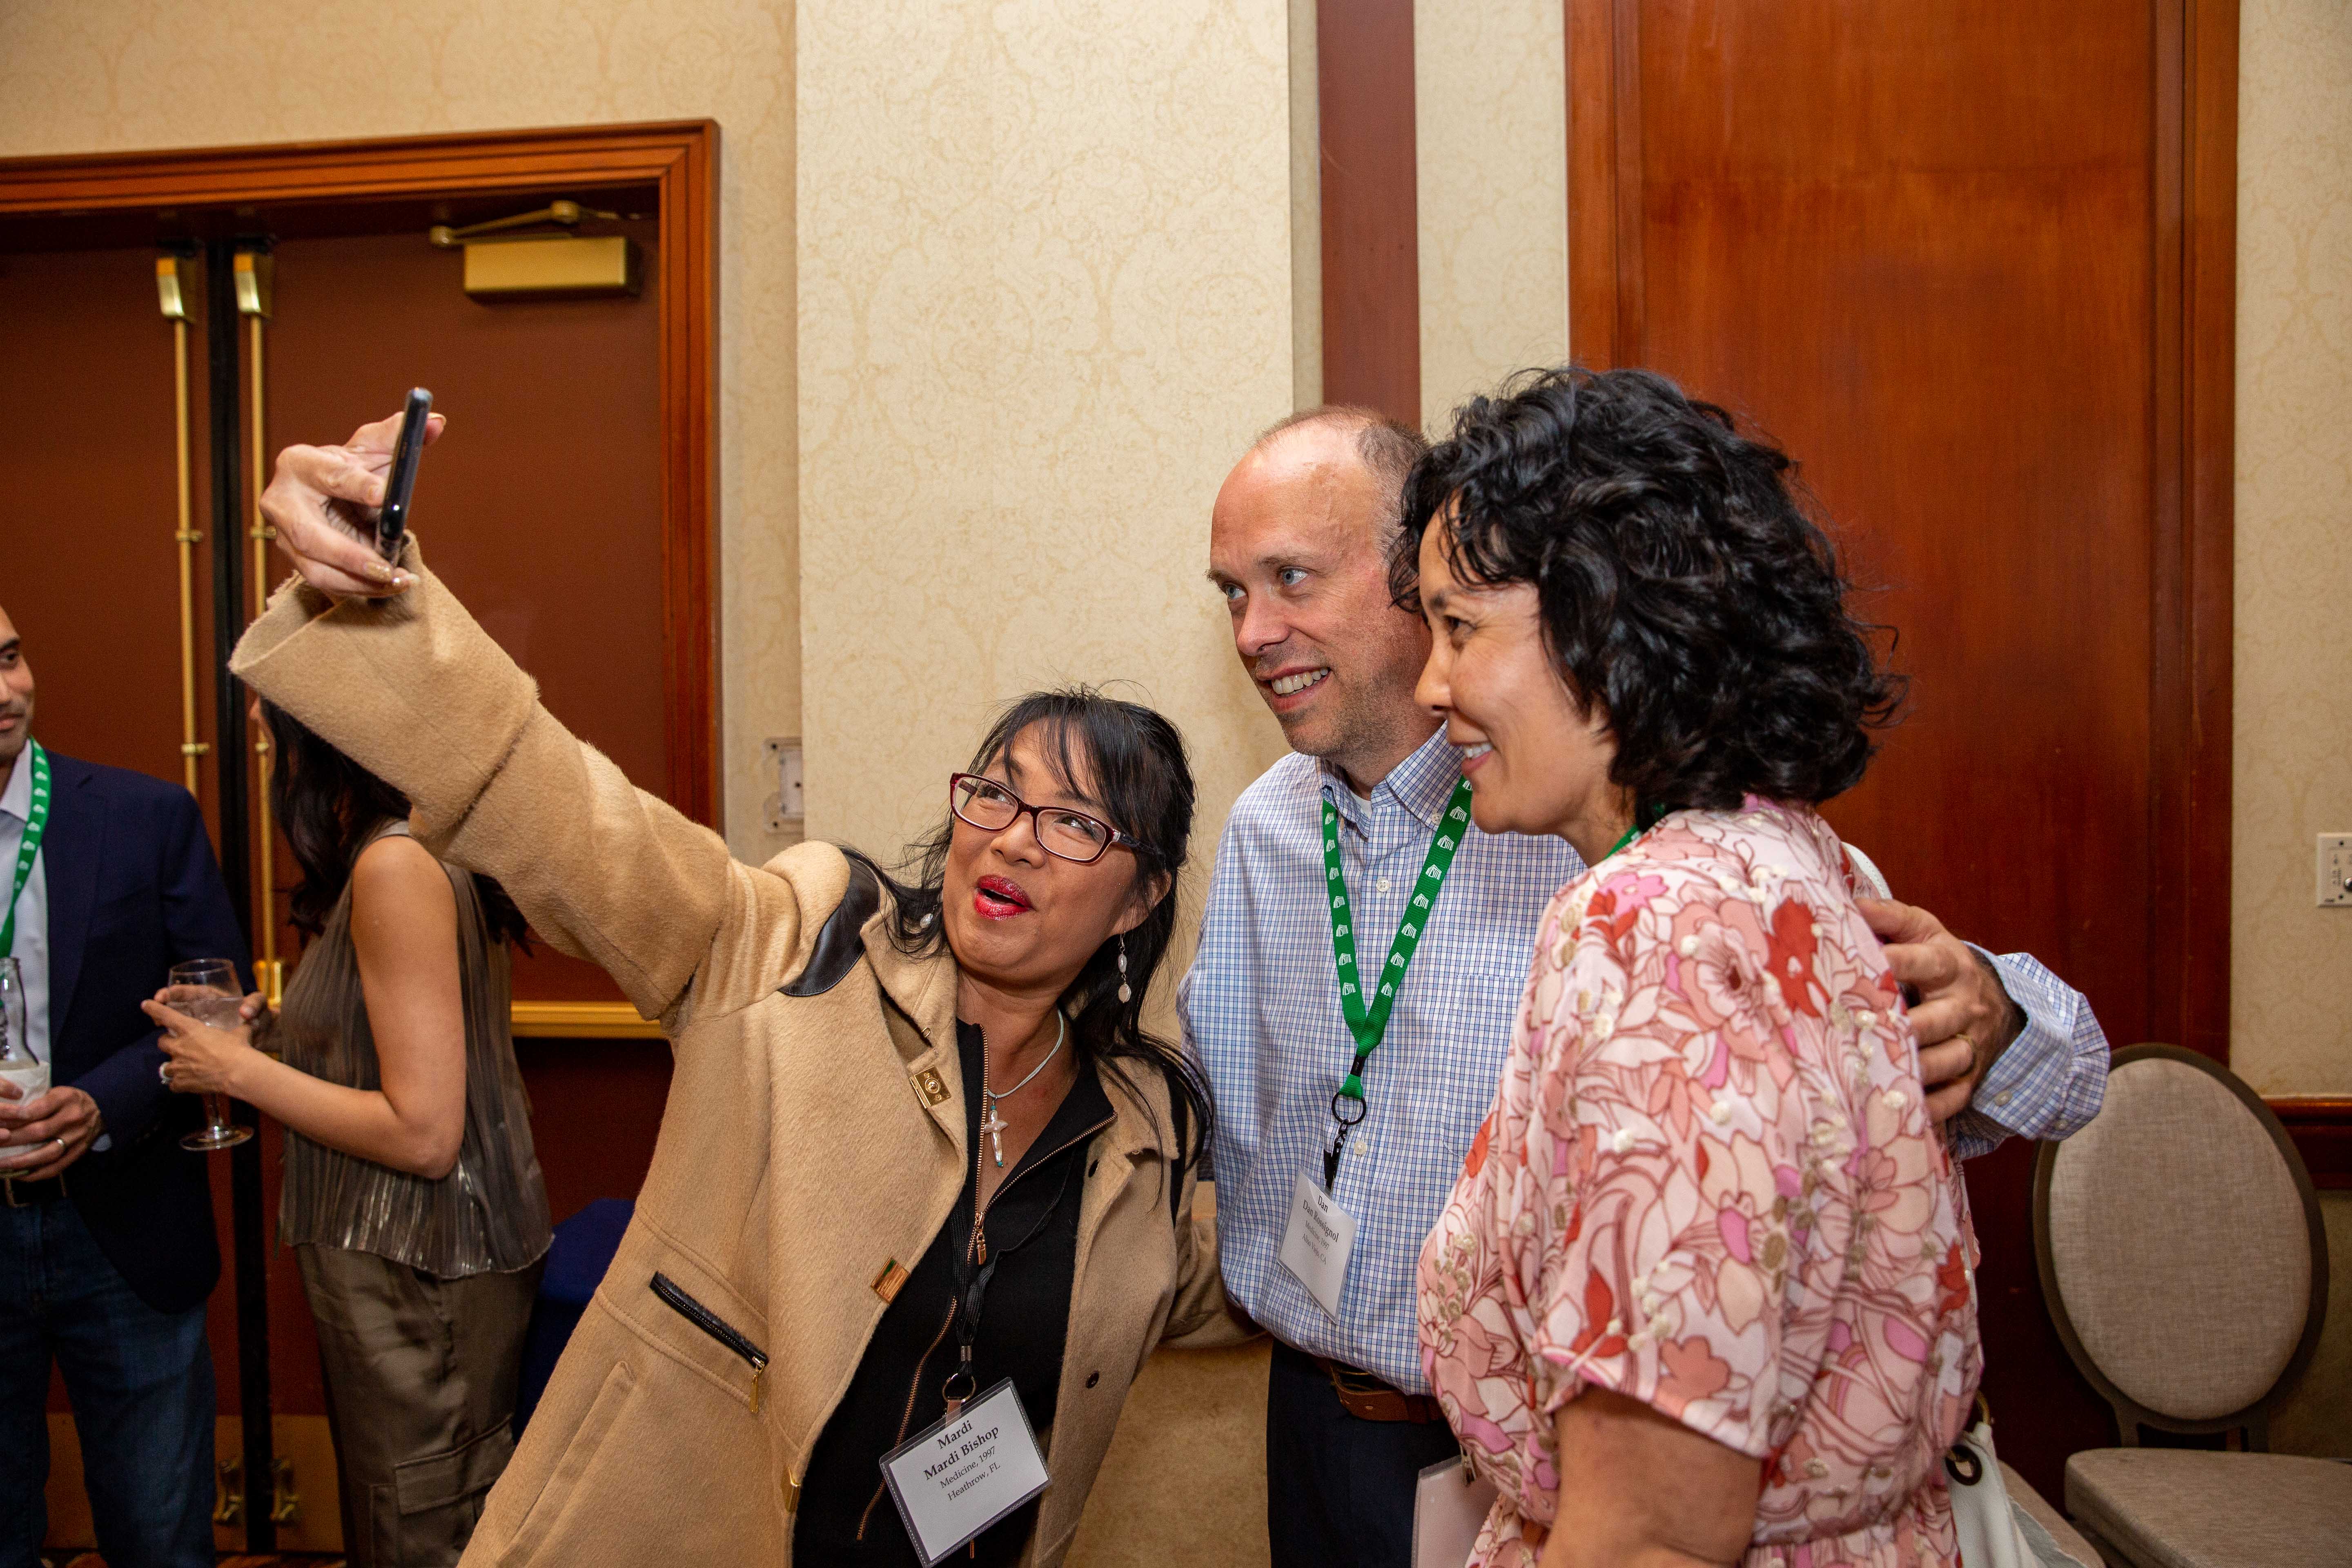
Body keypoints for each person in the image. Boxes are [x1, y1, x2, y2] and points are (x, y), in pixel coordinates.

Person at [225, 407, 1233, 1567]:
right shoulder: (803, 947)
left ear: (1144, 897)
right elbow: (567, 813)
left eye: (1071, 821)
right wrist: (377, 601)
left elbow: (1229, 1293)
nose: (1009, 840)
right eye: (993, 796)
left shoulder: (1141, 1139)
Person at [1185, 405, 2106, 1567]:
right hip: (1324, 1418)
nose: (1255, 630)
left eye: (1293, 579)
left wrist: (1990, 1007)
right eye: (1231, 593)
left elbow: (1657, 1529)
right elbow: (1219, 1116)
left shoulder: (1644, 899)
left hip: (1532, 1468)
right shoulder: (1271, 829)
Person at [1410, 366, 1978, 1566]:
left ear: (1605, 622)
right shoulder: (1803, 863)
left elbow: (1655, 1536)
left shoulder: (1651, 929)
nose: (1431, 685)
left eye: (1461, 628)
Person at [142, 702, 552, 1566]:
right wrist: (266, 1040)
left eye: (270, 713)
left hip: (421, 1280)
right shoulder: (407, 844)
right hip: (418, 1272)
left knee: (421, 1534)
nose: (254, 723)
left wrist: (235, 1073)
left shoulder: (394, 864)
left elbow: (425, 1132)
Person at [0, 604, 249, 1568]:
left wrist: (107, 1100)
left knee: (158, 1537)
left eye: (13, 657)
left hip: (124, 1227)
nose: (6, 692)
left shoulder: (145, 819)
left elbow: (217, 1006)